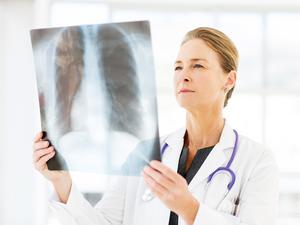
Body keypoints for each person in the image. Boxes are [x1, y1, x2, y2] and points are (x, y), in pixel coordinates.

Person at [32, 27, 279, 225]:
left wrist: (190, 209)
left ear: (229, 79)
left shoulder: (256, 160)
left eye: (198, 65)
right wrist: (62, 182)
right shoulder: (144, 153)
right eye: (178, 66)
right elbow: (104, 222)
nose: (184, 74)